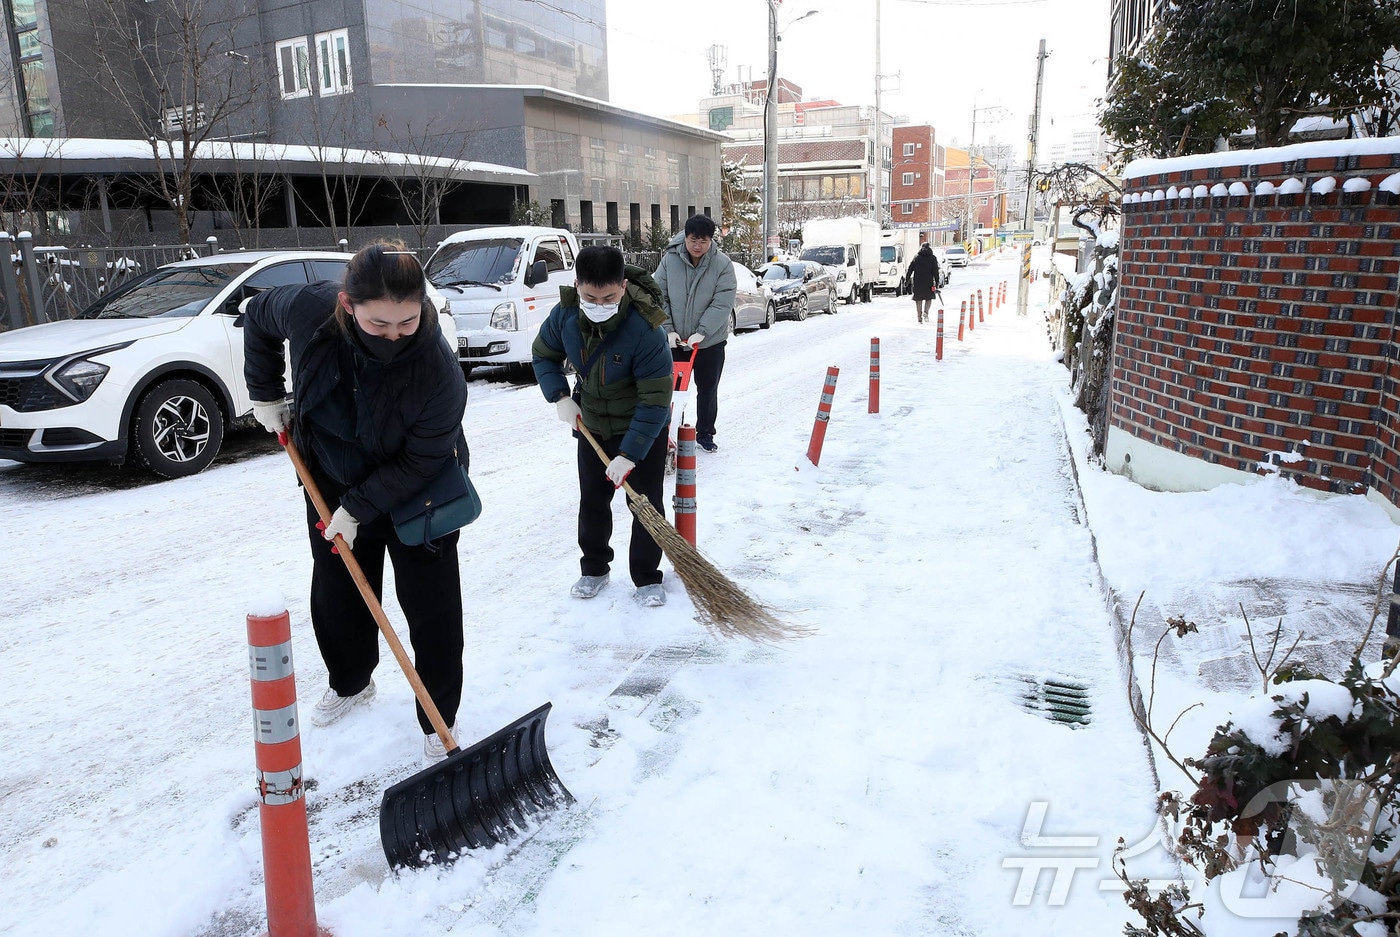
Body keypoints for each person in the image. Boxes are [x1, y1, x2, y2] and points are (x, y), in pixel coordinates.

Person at [243, 241, 469, 762]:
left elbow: (421, 462)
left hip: (419, 490)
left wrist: (360, 508)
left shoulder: (438, 372)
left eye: (407, 322)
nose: (394, 335)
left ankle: (439, 718)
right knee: (338, 591)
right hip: (329, 474)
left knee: (431, 606)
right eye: (379, 324)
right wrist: (266, 393)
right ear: (347, 305)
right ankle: (351, 681)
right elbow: (256, 316)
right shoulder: (309, 310)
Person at [532, 245, 674, 607]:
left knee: (645, 505)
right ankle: (594, 569)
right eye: (590, 296)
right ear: (577, 284)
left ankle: (646, 577)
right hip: (592, 425)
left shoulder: (646, 329)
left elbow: (655, 400)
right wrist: (560, 396)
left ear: (623, 287)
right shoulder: (564, 316)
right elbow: (543, 354)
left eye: (608, 297)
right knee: (593, 502)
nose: (598, 304)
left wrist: (630, 454)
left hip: (639, 429)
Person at [652, 214, 737, 453]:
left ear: (711, 240)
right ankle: (667, 432)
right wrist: (667, 329)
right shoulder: (670, 260)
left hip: (710, 342)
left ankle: (705, 433)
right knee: (670, 389)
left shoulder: (722, 264)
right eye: (693, 240)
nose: (697, 246)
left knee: (707, 388)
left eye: (703, 241)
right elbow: (659, 296)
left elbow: (722, 302)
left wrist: (703, 332)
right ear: (685, 238)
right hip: (674, 341)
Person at [903, 242, 942, 324]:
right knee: (929, 298)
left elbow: (910, 269)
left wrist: (907, 280)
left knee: (918, 299)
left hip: (918, 282)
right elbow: (935, 271)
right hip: (929, 282)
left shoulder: (916, 257)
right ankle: (926, 312)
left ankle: (919, 318)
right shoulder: (933, 258)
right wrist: (937, 281)